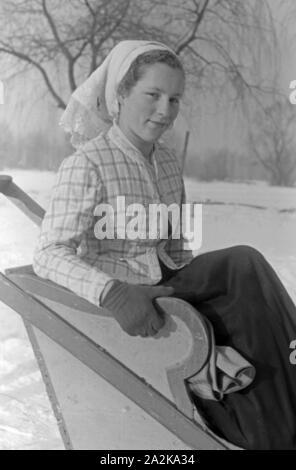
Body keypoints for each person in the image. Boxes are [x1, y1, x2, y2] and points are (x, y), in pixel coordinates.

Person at [33, 40, 296, 450]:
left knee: (251, 312)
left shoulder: (169, 161)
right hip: (128, 298)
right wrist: (113, 293)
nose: (164, 110)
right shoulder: (88, 163)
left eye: (174, 99)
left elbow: (176, 246)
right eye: (152, 95)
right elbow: (48, 253)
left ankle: (276, 420)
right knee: (243, 265)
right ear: (120, 94)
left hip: (169, 281)